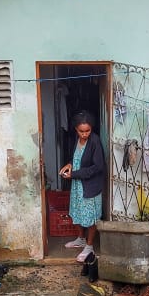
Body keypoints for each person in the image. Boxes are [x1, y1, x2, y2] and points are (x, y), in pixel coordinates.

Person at [59, 111, 106, 263]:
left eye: (87, 131)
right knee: (78, 212)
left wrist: (74, 174)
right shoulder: (77, 140)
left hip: (90, 186)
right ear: (76, 130)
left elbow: (97, 167)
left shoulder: (95, 141)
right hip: (78, 185)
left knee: (91, 217)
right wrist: (69, 165)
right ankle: (80, 239)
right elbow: (78, 158)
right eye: (81, 131)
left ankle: (89, 246)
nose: (85, 134)